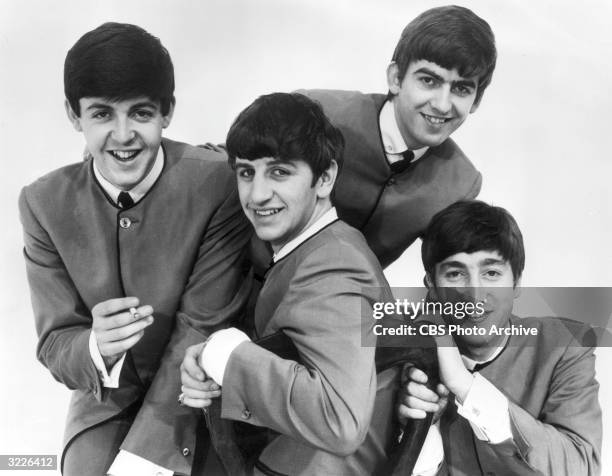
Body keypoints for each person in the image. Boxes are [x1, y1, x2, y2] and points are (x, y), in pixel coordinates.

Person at [18, 22, 251, 476]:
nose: (123, 135)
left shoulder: (217, 183)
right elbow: (54, 342)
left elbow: (201, 325)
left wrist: (146, 457)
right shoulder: (41, 203)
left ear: (168, 112)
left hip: (201, 397)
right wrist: (94, 347)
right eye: (102, 114)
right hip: (104, 406)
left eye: (140, 113)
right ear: (73, 115)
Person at [180, 92, 397, 475]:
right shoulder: (321, 247)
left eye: (279, 172)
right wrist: (217, 367)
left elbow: (340, 421)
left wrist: (227, 356)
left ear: (325, 178)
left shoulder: (333, 265)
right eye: (247, 172)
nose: (258, 194)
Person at [398, 200, 601, 475]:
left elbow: (581, 466)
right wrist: (417, 430)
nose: (475, 296)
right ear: (431, 286)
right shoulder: (404, 357)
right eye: (456, 274)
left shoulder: (566, 344)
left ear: (517, 282)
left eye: (491, 273)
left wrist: (463, 384)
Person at [294, 5, 497, 268]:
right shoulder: (315, 110)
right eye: (429, 81)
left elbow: (449, 275)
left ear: (476, 100)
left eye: (461, 88)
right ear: (396, 78)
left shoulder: (460, 184)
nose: (443, 105)